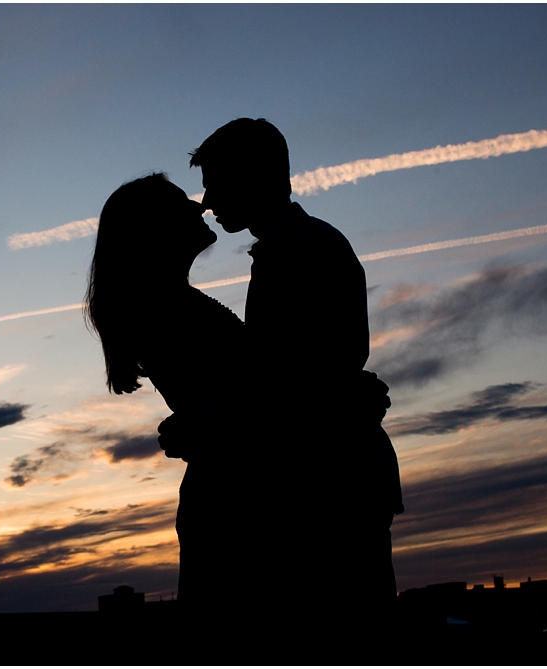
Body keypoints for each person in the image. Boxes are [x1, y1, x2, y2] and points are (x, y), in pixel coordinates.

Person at [178, 118, 404, 657]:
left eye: (215, 184)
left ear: (252, 178)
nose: (207, 202)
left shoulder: (305, 252)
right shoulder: (296, 249)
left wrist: (212, 419)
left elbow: (301, 380)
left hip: (329, 484)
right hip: (324, 480)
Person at [85, 173, 261, 640]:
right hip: (233, 505)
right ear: (155, 228)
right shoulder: (166, 310)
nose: (200, 207)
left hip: (229, 496)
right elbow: (246, 400)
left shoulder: (172, 304)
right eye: (183, 203)